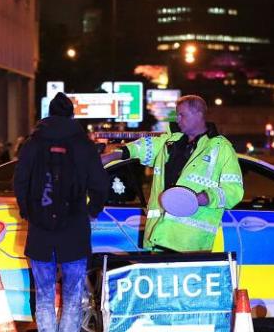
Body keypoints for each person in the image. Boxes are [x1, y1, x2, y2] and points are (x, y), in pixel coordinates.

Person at [14, 93, 108, 332]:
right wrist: (91, 211)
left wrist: (27, 211)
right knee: (72, 292)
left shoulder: (33, 144)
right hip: (74, 229)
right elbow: (100, 184)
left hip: (41, 231)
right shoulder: (83, 145)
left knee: (43, 294)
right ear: (71, 115)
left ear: (48, 114)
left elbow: (20, 182)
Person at [100, 94, 244, 252]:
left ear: (199, 114)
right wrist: (112, 155)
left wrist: (207, 197)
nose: (178, 119)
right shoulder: (170, 142)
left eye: (182, 114)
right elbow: (141, 147)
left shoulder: (220, 148)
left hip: (189, 243)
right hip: (159, 236)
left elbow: (234, 191)